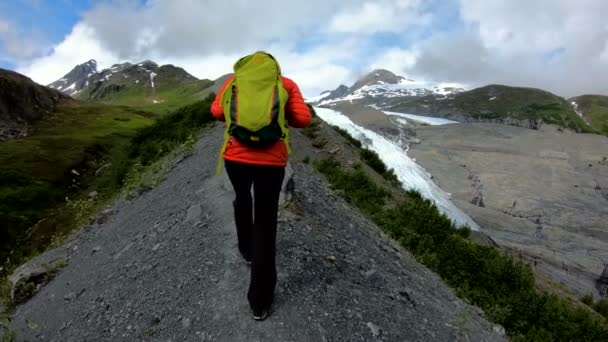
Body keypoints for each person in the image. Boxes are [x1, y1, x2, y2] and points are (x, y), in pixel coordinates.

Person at [210, 51, 312, 321]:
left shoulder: (233, 82)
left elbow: (216, 111)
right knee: (265, 223)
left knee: (241, 199)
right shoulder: (286, 84)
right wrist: (278, 117)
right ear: (274, 67)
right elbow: (303, 119)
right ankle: (259, 301)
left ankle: (246, 250)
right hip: (271, 161)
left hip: (235, 158)